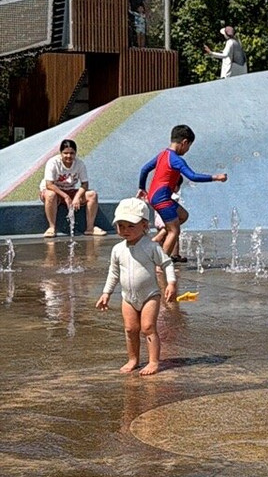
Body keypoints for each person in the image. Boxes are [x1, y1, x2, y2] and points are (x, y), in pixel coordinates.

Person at [95, 197, 177, 375]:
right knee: (130, 329)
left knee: (148, 327)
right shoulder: (117, 249)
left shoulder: (151, 246)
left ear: (145, 226)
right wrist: (106, 293)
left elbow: (167, 263)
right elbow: (114, 272)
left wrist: (171, 282)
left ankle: (154, 361)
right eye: (121, 226)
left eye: (131, 226)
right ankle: (133, 359)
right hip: (128, 297)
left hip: (150, 295)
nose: (125, 230)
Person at [138, 125, 228, 261]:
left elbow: (144, 169)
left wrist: (141, 188)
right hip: (162, 199)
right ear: (184, 142)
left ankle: (160, 237)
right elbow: (192, 176)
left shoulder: (162, 154)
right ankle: (160, 263)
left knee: (183, 215)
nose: (187, 150)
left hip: (155, 197)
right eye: (188, 147)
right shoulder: (176, 159)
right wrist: (215, 177)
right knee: (174, 231)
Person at [39, 139, 106, 237]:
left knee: (92, 195)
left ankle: (90, 228)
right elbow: (49, 184)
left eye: (72, 153)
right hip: (54, 191)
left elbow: (85, 184)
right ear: (61, 153)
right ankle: (51, 227)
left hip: (70, 190)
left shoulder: (79, 164)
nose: (69, 156)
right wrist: (65, 196)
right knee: (51, 195)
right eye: (65, 153)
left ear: (75, 153)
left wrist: (77, 197)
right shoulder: (53, 163)